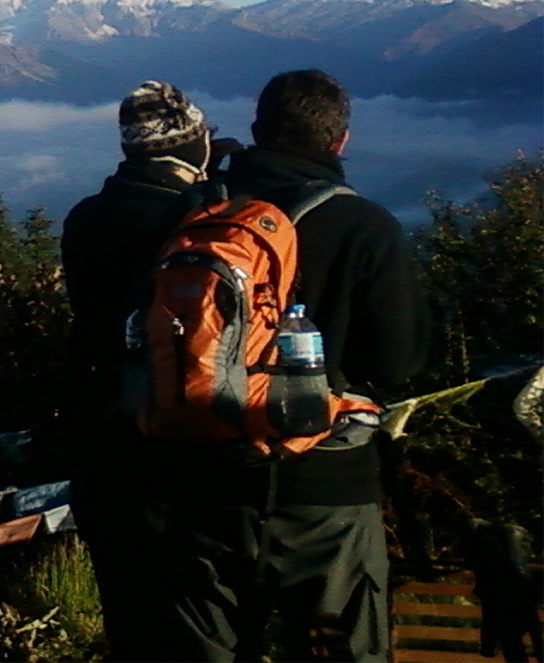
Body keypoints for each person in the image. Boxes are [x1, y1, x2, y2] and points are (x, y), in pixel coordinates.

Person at [159, 69, 432, 662]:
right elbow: (397, 361)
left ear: (255, 132)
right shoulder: (364, 226)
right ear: (340, 142)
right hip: (326, 489)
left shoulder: (191, 217)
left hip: (203, 475)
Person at [61, 79, 231, 661]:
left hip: (102, 432)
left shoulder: (87, 217)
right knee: (197, 611)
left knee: (128, 607)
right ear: (190, 148)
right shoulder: (202, 218)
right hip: (186, 432)